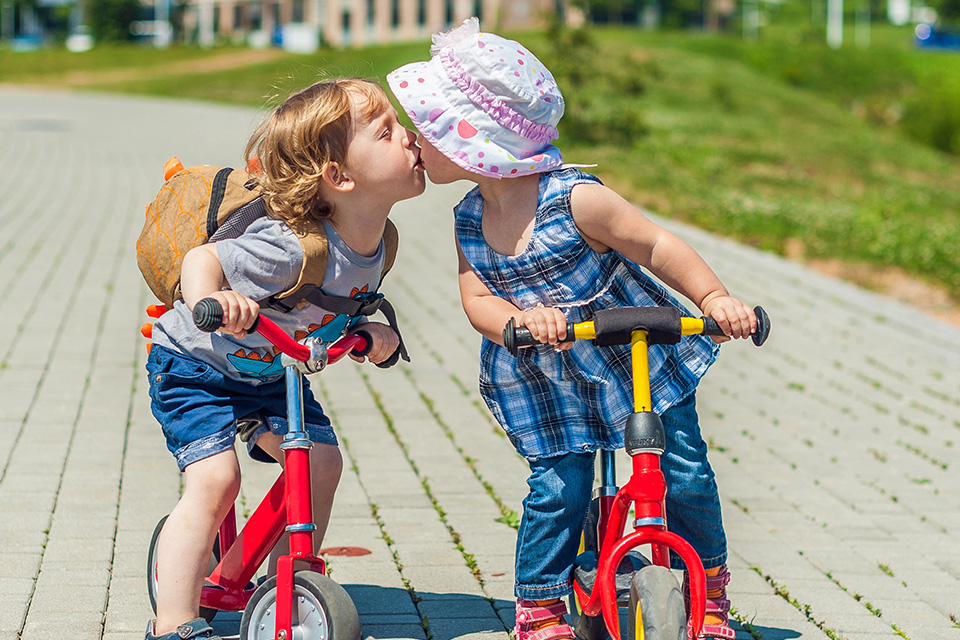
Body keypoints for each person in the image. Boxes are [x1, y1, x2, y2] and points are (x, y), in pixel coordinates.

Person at [388, 19, 756, 640]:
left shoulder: (577, 199)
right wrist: (516, 322)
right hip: (548, 376)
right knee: (559, 487)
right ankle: (540, 606)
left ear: (477, 139)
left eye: (430, 127)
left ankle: (710, 592)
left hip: (632, 358)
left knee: (684, 471)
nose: (415, 138)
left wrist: (715, 298)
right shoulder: (471, 217)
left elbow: (657, 246)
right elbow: (477, 298)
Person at [143, 78, 425, 640]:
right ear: (339, 178)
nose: (410, 137)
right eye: (387, 132)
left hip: (274, 373)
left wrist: (372, 332)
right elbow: (205, 257)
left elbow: (349, 304)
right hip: (196, 367)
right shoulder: (288, 245)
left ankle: (283, 581)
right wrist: (209, 300)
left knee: (321, 462)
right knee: (216, 481)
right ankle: (174, 621)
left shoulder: (379, 240)